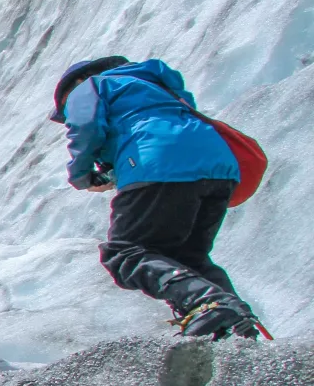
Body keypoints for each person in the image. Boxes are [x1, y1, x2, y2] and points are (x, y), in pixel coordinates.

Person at [50, 56, 260, 339]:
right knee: (188, 256)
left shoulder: (90, 86)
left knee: (124, 253)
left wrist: (82, 175)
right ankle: (237, 323)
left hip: (158, 161)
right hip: (218, 167)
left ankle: (207, 304)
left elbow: (85, 128)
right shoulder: (155, 84)